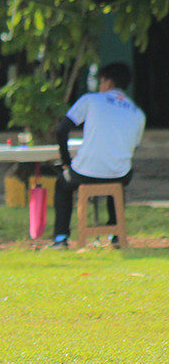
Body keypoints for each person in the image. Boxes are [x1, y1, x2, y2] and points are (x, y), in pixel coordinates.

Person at [50, 62, 146, 248]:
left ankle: (61, 238)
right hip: (119, 173)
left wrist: (67, 163)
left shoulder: (91, 100)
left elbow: (62, 131)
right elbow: (132, 146)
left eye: (101, 82)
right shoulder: (138, 113)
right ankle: (115, 234)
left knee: (62, 185)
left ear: (108, 83)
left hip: (84, 173)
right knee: (116, 179)